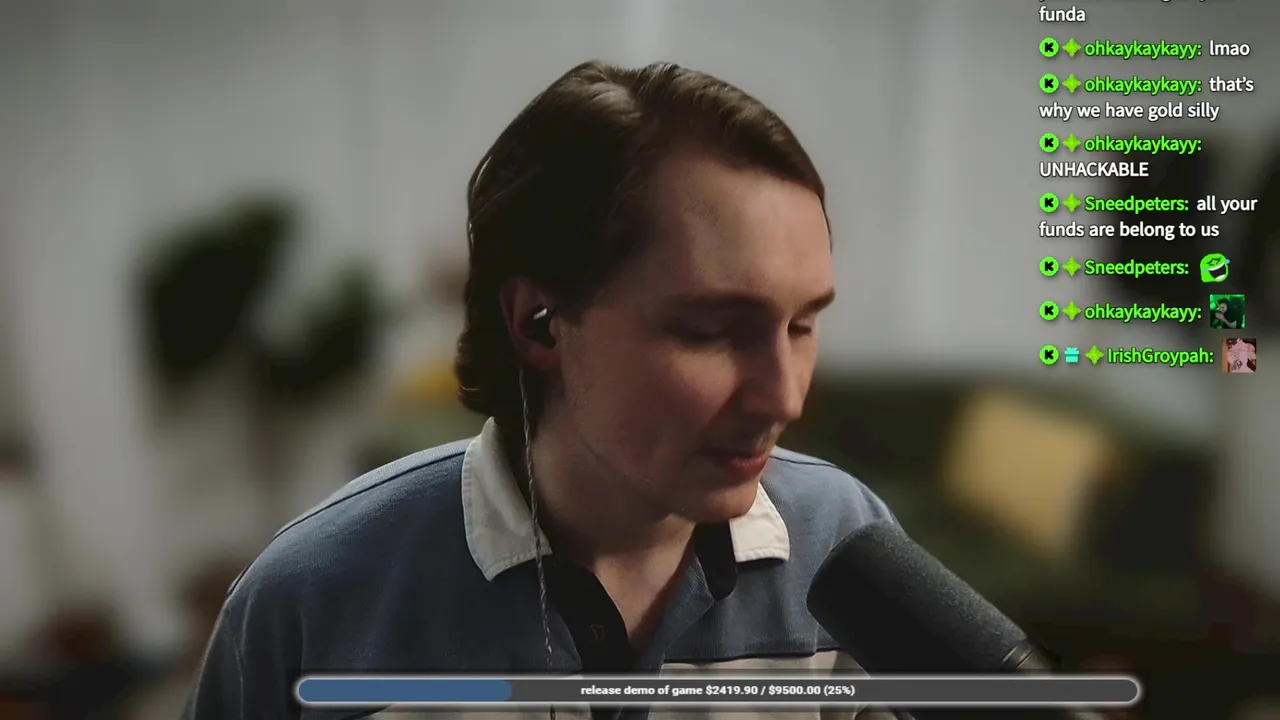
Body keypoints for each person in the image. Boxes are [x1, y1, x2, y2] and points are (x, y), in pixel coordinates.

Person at [183, 60, 900, 720]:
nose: (785, 399)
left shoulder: (849, 549)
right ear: (539, 322)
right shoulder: (308, 602)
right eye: (712, 331)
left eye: (802, 325)